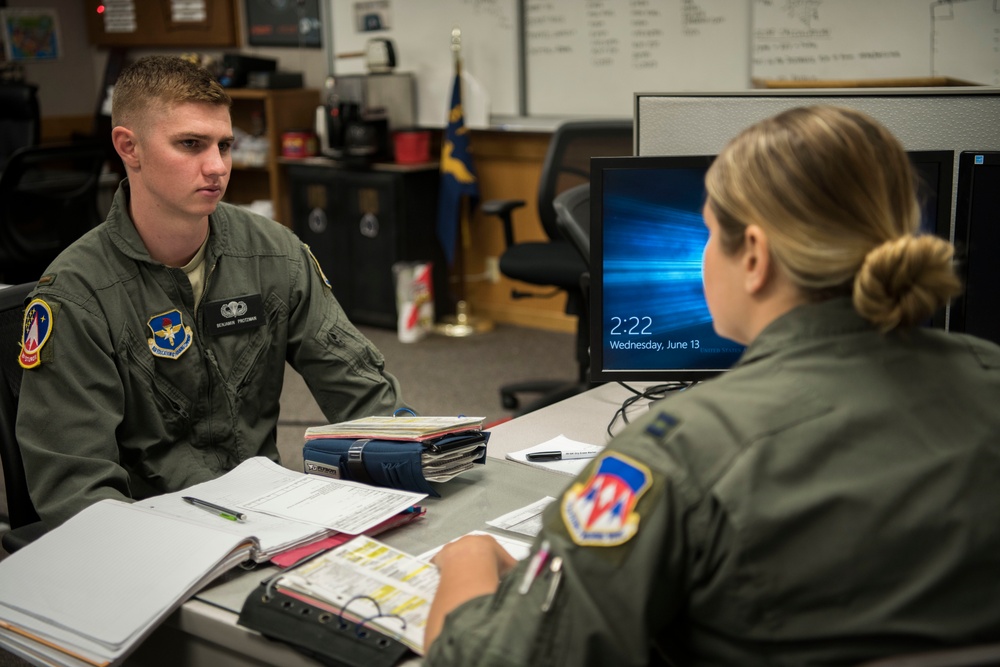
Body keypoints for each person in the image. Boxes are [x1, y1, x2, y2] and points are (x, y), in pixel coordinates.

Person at [423, 106, 1000, 666]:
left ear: (752, 255)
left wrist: (469, 558)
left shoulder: (678, 452)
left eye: (707, 234)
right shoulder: (987, 371)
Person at [16, 55, 408, 528]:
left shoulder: (273, 254)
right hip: (155, 534)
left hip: (269, 517)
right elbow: (77, 491)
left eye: (224, 145)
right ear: (129, 147)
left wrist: (421, 456)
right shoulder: (78, 295)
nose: (217, 166)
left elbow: (362, 392)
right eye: (190, 144)